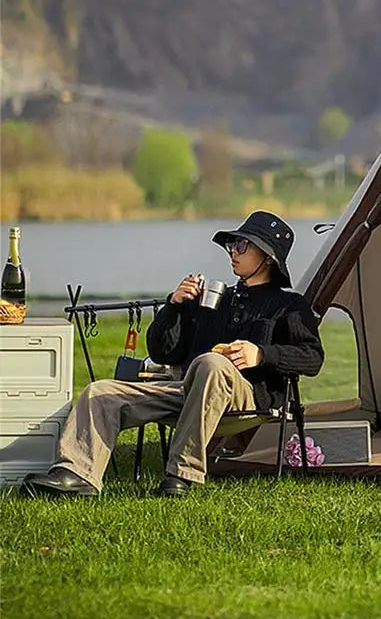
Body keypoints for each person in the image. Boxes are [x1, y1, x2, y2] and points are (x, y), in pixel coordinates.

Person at [22, 211, 324, 498]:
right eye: (232, 244)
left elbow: (312, 357)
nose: (233, 250)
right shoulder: (215, 298)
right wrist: (174, 306)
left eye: (242, 245)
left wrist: (261, 353)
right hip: (189, 390)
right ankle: (77, 473)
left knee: (210, 362)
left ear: (267, 257)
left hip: (248, 395)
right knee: (100, 392)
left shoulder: (290, 306)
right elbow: (162, 351)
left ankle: (183, 472)